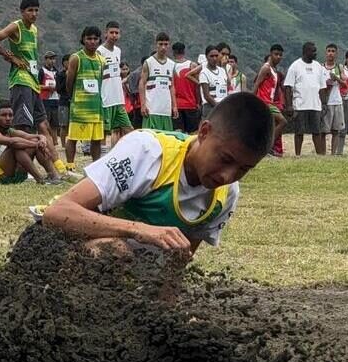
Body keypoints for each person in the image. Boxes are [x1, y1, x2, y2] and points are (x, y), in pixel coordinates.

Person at [42, 93, 272, 257]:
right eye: (225, 159)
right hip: (56, 249)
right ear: (204, 132)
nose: (227, 176)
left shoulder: (225, 196)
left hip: (128, 269)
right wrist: (139, 230)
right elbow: (57, 213)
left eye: (243, 169)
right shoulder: (148, 152)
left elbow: (178, 260)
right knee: (116, 251)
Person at [0, 0, 71, 180]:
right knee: (23, 126)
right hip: (20, 81)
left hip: (32, 82)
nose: (34, 14)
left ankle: (59, 169)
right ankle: (23, 170)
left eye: (36, 10)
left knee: (43, 125)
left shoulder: (35, 30)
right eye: (30, 10)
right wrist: (11, 57)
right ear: (22, 11)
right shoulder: (16, 27)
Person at [0, 102, 60, 185]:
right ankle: (41, 180)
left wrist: (42, 140)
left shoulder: (10, 131)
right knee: (16, 147)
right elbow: (12, 142)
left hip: (12, 174)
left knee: (33, 143)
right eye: (4, 115)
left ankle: (54, 177)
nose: (8, 118)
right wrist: (36, 144)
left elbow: (36, 136)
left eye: (10, 115)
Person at [64, 26, 106, 165]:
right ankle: (70, 165)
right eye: (89, 38)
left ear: (99, 40)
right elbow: (69, 82)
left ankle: (96, 166)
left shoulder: (102, 60)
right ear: (83, 39)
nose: (92, 41)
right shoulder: (76, 58)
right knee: (73, 137)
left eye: (95, 38)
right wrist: (74, 99)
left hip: (96, 107)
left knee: (96, 139)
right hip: (80, 107)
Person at [283, 42, 325, 156]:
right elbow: (288, 87)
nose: (315, 53)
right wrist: (289, 105)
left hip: (315, 105)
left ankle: (319, 155)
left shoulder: (318, 66)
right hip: (300, 105)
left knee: (317, 132)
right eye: (313, 51)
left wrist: (323, 104)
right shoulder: (295, 66)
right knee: (299, 132)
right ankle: (298, 155)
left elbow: (322, 87)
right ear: (306, 51)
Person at [98, 21, 133, 148]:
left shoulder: (118, 51)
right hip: (105, 99)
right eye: (111, 32)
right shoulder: (99, 51)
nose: (114, 35)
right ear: (105, 33)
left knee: (128, 129)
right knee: (103, 132)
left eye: (116, 33)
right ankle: (100, 159)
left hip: (118, 99)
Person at [139, 33, 177, 131]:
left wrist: (174, 106)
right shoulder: (149, 62)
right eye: (160, 44)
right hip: (152, 109)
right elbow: (142, 83)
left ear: (169, 45)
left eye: (166, 44)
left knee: (166, 140)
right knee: (150, 139)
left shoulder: (171, 64)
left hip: (165, 110)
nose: (163, 47)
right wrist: (143, 105)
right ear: (156, 44)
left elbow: (172, 86)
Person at [252, 44, 287, 148]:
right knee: (283, 121)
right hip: (264, 101)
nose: (278, 57)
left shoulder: (274, 69)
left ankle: (268, 147)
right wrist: (252, 101)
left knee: (270, 125)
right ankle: (267, 146)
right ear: (271, 54)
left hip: (271, 101)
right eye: (276, 54)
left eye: (280, 55)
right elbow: (257, 84)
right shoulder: (266, 68)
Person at [320, 44, 345, 155]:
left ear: (336, 53)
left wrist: (336, 78)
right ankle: (323, 153)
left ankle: (333, 154)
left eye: (333, 51)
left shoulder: (339, 68)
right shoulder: (321, 67)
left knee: (336, 130)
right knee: (323, 131)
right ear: (325, 52)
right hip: (325, 102)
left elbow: (345, 84)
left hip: (337, 101)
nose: (331, 53)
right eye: (329, 51)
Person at [172, 42, 202, 134]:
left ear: (173, 52)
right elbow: (198, 86)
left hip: (176, 105)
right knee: (193, 133)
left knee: (178, 133)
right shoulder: (192, 65)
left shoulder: (170, 65)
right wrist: (198, 102)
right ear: (184, 51)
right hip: (191, 104)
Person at [199, 45, 229, 119]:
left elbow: (227, 86)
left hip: (223, 106)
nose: (214, 58)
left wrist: (224, 67)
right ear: (206, 57)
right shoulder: (204, 73)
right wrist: (217, 106)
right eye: (211, 56)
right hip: (210, 107)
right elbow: (206, 95)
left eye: (216, 56)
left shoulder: (222, 70)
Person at [40, 51, 61, 147]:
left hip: (55, 99)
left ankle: (55, 141)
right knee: (46, 121)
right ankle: (46, 140)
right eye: (50, 58)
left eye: (53, 59)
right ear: (46, 59)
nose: (52, 61)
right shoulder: (41, 71)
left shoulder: (57, 72)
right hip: (45, 99)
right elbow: (37, 85)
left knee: (55, 122)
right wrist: (47, 88)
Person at [54, 54, 71, 146]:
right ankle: (64, 144)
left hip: (73, 102)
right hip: (63, 102)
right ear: (64, 62)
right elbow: (59, 89)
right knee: (63, 125)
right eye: (68, 61)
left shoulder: (75, 73)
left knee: (73, 124)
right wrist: (66, 77)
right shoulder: (60, 74)